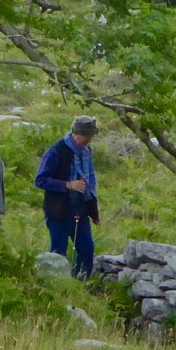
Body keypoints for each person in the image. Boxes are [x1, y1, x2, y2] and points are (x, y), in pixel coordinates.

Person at [35, 115, 101, 278]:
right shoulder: (56, 151)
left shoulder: (87, 152)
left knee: (87, 249)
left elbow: (89, 185)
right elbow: (40, 180)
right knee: (58, 253)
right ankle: (57, 286)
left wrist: (94, 213)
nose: (89, 141)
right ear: (76, 134)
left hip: (80, 210)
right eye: (87, 137)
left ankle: (81, 283)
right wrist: (67, 185)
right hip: (58, 212)